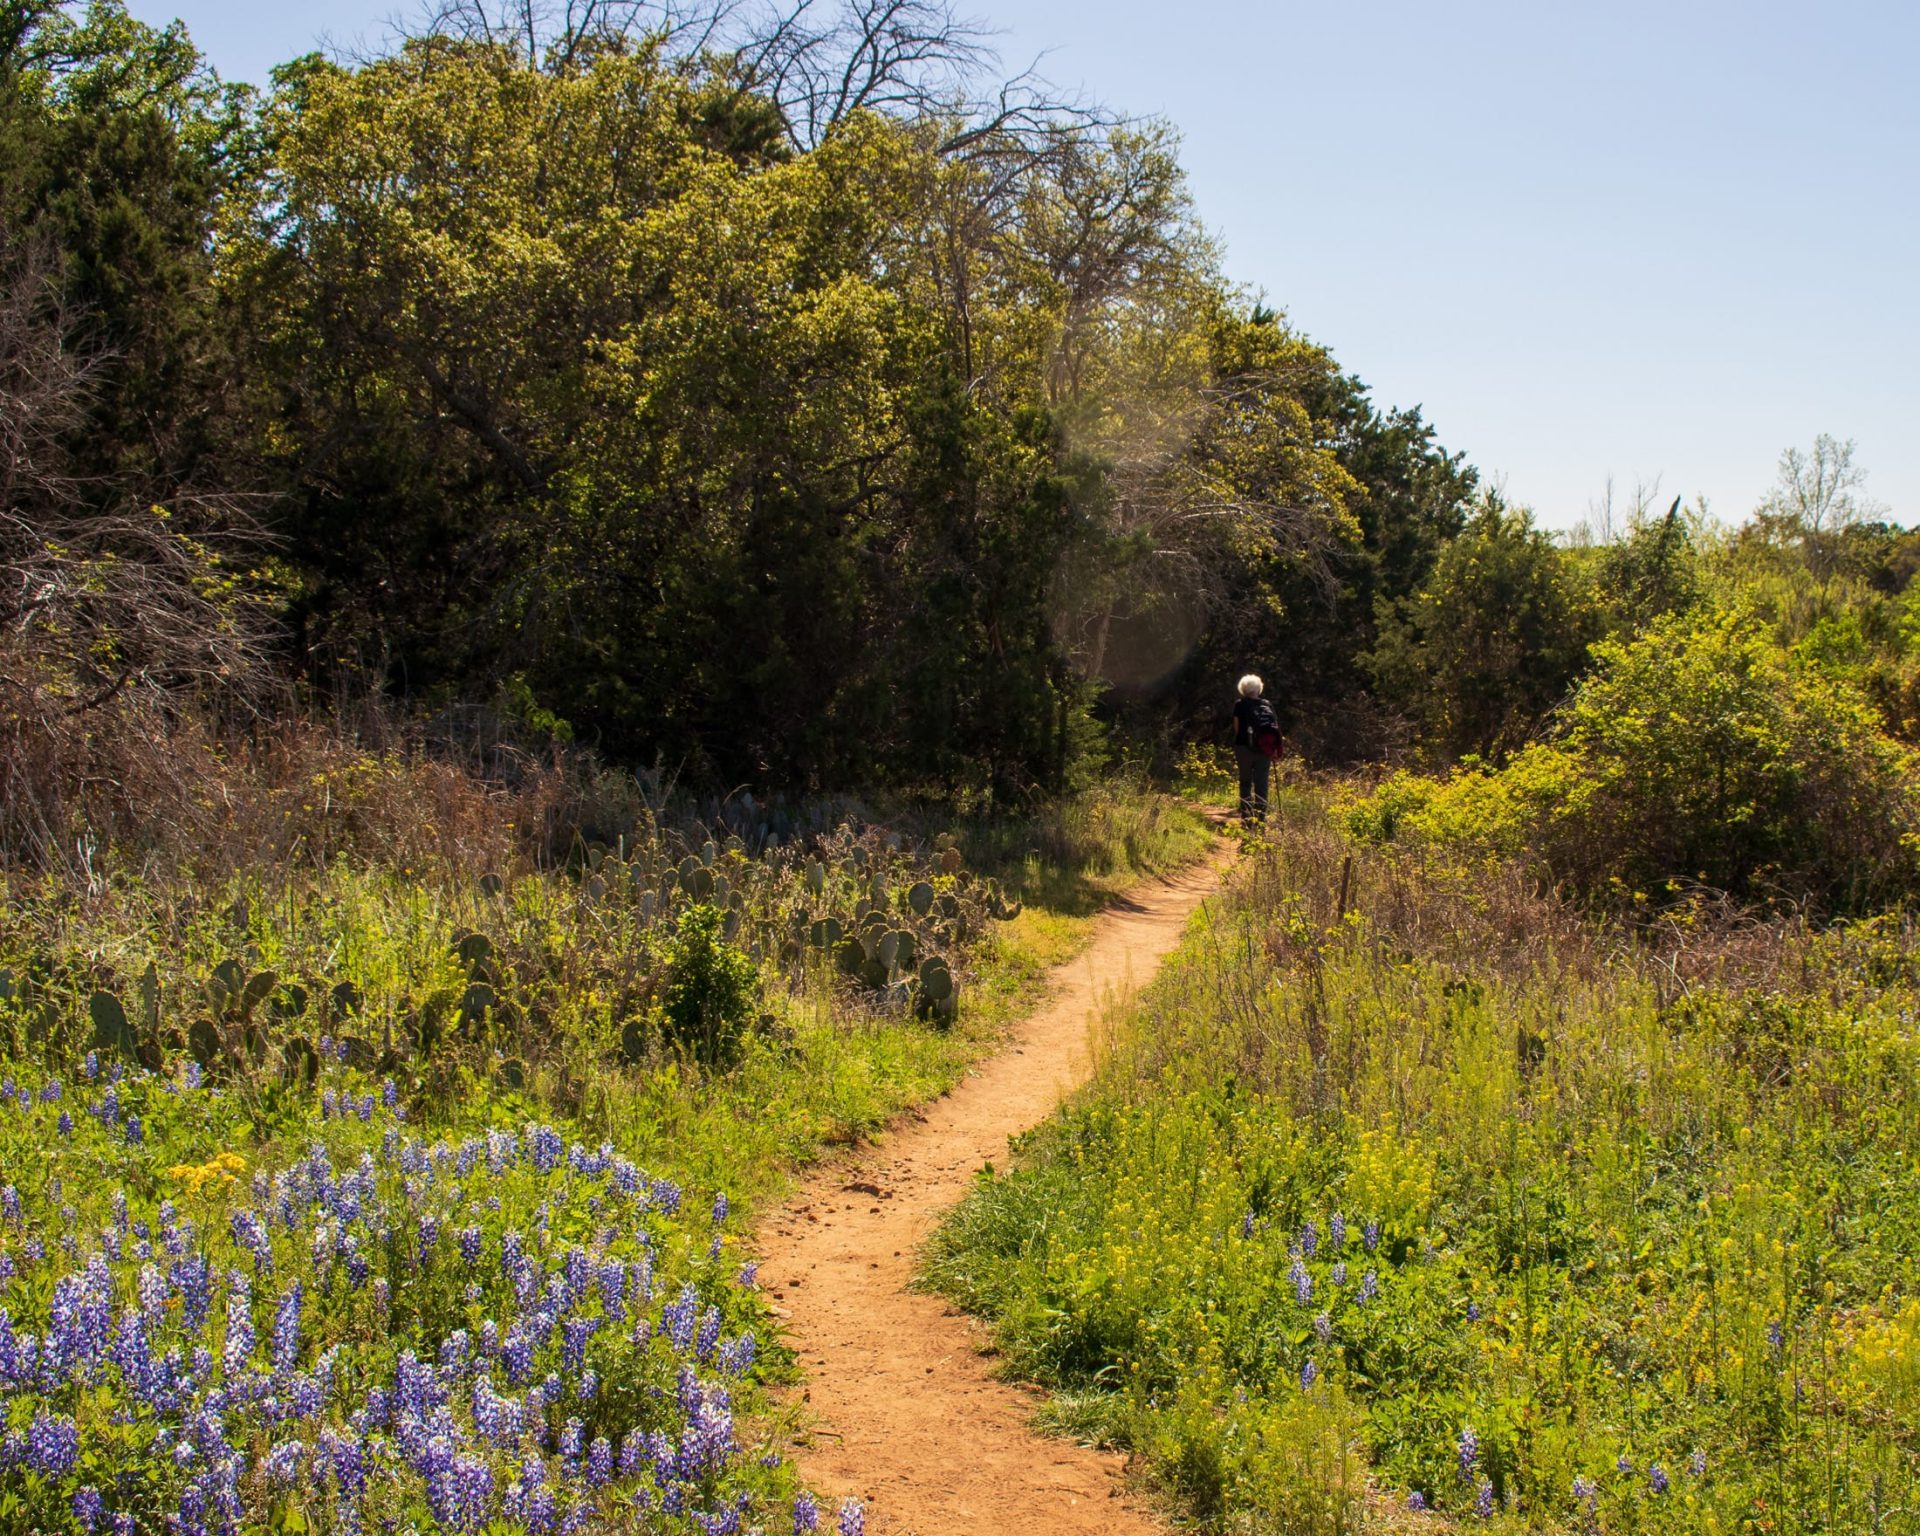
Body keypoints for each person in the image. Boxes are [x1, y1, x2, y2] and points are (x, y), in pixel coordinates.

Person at [1231, 674, 1282, 823]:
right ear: (1259, 689)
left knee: (1245, 780)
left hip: (1243, 748)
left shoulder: (1239, 705)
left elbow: (1236, 727)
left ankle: (1246, 814)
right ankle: (1260, 817)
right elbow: (1275, 727)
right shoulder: (1267, 704)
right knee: (1262, 782)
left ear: (1243, 689)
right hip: (1264, 749)